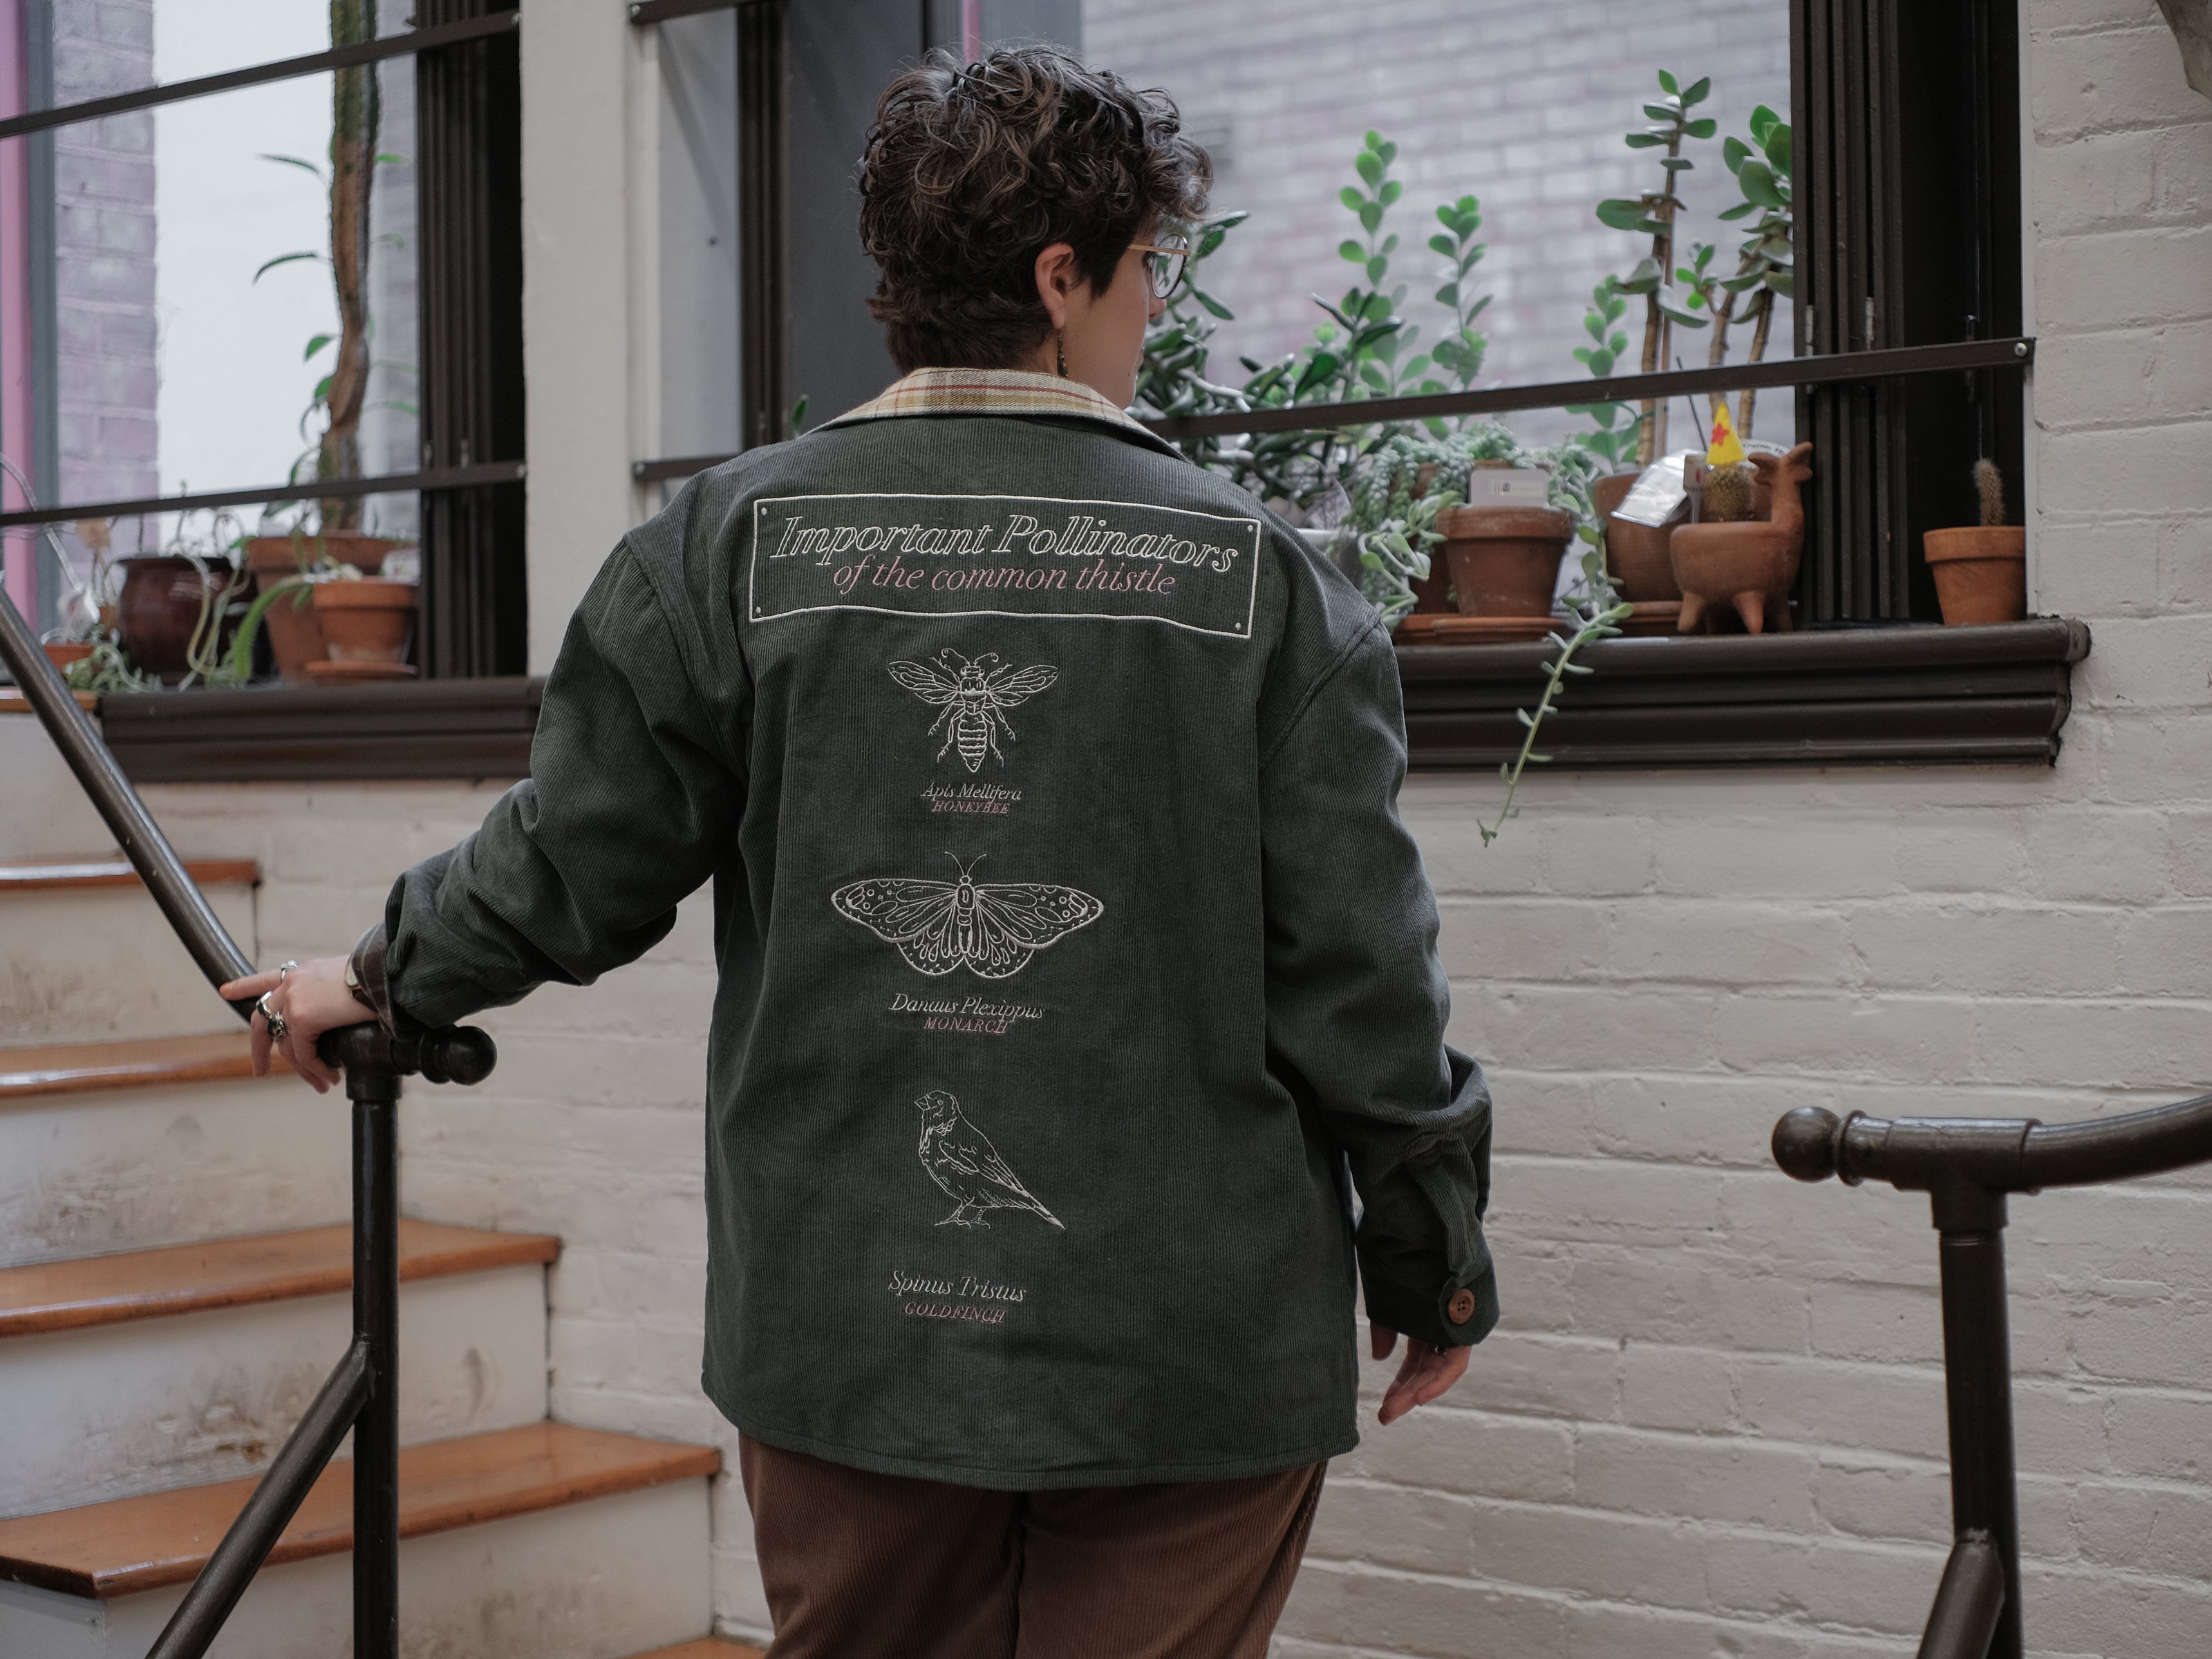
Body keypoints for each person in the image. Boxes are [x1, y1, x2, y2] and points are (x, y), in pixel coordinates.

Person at [226, 44, 1495, 1659]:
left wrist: (373, 976)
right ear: (1059, 276)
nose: (1151, 312)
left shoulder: (724, 547)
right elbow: (1362, 974)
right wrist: (1428, 1249)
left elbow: (571, 866)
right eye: (1144, 273)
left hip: (852, 1332)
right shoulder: (1265, 581)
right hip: (1188, 1349)